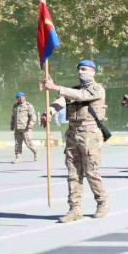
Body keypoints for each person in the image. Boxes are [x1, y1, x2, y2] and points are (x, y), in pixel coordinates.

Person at [42, 60, 109, 223]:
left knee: (91, 171)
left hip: (89, 134)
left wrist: (56, 87)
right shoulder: (72, 90)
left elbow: (82, 96)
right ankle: (75, 208)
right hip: (72, 134)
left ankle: (102, 203)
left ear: (93, 72)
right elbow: (61, 100)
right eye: (79, 69)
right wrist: (49, 111)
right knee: (73, 173)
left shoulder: (97, 89)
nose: (81, 72)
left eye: (84, 69)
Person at [10, 92, 37, 163]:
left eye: (22, 97)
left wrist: (30, 125)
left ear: (25, 97)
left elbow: (33, 117)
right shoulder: (15, 106)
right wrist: (12, 125)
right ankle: (18, 158)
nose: (20, 98)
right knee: (17, 143)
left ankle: (35, 152)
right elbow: (13, 117)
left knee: (28, 143)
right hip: (17, 128)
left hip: (26, 128)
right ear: (17, 98)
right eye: (18, 97)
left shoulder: (28, 106)